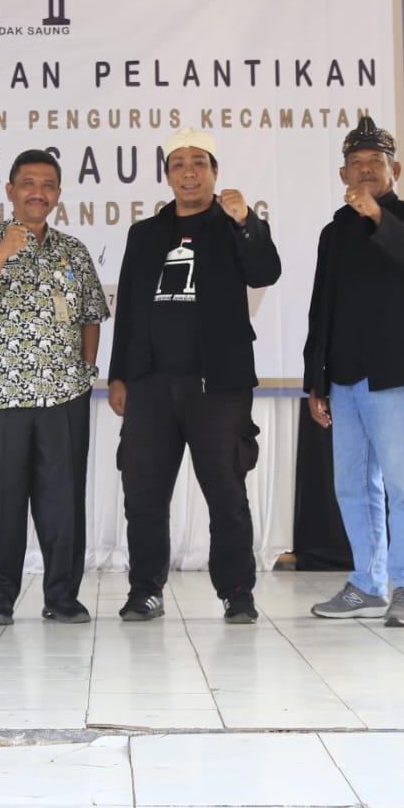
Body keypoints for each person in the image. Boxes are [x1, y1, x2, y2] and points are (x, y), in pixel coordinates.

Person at [108, 128, 281, 624]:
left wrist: (247, 221)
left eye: (199, 163)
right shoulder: (144, 234)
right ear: (167, 176)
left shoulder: (233, 224)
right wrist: (119, 376)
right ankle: (145, 590)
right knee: (142, 494)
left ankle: (237, 592)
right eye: (179, 163)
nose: (189, 171)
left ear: (214, 172)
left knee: (227, 494)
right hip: (149, 385)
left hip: (218, 386)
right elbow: (130, 311)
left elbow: (265, 271)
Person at [0, 149, 108, 626]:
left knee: (62, 500)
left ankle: (62, 596)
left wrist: (86, 372)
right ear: (10, 190)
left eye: (47, 184)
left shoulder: (74, 251)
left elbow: (90, 316)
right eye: (27, 183)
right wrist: (5, 250)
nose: (37, 192)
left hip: (64, 395)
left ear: (58, 194)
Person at [305, 117, 404, 627]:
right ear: (343, 173)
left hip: (391, 374)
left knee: (402, 486)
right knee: (353, 486)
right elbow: (322, 308)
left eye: (374, 164)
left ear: (394, 169)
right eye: (356, 165)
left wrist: (379, 216)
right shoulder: (333, 230)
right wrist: (314, 380)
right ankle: (367, 582)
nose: (365, 172)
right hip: (341, 378)